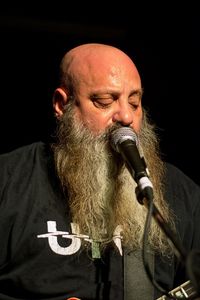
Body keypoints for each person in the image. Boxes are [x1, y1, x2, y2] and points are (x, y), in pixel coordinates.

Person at [0, 43, 200, 300]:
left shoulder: (177, 191)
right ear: (62, 104)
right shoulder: (10, 180)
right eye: (105, 101)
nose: (127, 116)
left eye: (135, 102)